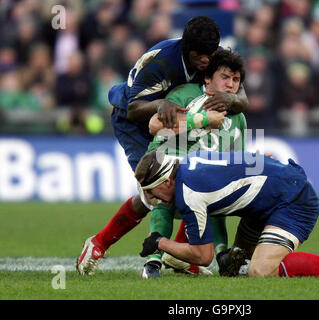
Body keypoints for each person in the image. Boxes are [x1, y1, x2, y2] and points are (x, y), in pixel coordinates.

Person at [76, 17, 249, 275]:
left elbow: (242, 99)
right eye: (199, 55)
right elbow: (134, 109)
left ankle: (178, 253)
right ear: (185, 47)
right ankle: (99, 243)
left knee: (195, 181)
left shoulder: (213, 56)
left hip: (182, 119)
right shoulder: (158, 61)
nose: (205, 61)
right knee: (156, 192)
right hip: (134, 121)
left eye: (209, 55)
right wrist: (159, 105)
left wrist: (230, 97)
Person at [137, 149, 319, 278]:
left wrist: (161, 242)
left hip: (292, 200)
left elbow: (203, 256)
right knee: (236, 268)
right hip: (266, 199)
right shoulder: (191, 161)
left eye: (151, 191)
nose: (151, 198)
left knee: (259, 271)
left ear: (168, 180)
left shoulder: (188, 192)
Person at [141, 48, 247, 278]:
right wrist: (202, 120)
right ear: (208, 78)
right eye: (225, 77)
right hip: (163, 172)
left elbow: (236, 160)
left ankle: (223, 257)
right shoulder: (185, 95)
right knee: (169, 185)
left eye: (236, 79)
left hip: (202, 185)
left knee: (223, 187)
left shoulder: (238, 118)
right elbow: (155, 126)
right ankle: (152, 262)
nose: (230, 85)